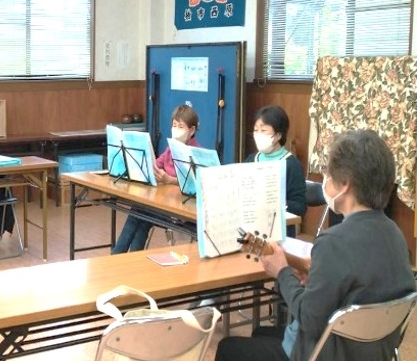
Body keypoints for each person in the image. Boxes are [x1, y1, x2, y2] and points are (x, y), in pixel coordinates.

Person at [215, 130, 415, 361]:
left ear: (345, 184)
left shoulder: (333, 242)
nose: (325, 180)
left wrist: (282, 272)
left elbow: (309, 319)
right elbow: (360, 290)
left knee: (228, 347)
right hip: (370, 352)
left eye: (328, 174)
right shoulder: (396, 235)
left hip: (326, 353)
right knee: (261, 333)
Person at [111, 104, 201, 254]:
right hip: (165, 204)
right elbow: (156, 165)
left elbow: (195, 183)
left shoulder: (197, 153)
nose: (176, 129)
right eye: (174, 125)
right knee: (140, 212)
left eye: (180, 126)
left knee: (139, 212)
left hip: (183, 212)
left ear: (191, 130)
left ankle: (118, 256)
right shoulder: (171, 148)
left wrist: (170, 180)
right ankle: (130, 258)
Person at [246, 105, 307, 236]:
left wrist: (276, 202)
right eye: (256, 130)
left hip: (280, 231)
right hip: (251, 226)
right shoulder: (251, 159)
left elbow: (300, 207)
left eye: (263, 130)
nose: (258, 135)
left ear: (278, 135)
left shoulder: (291, 164)